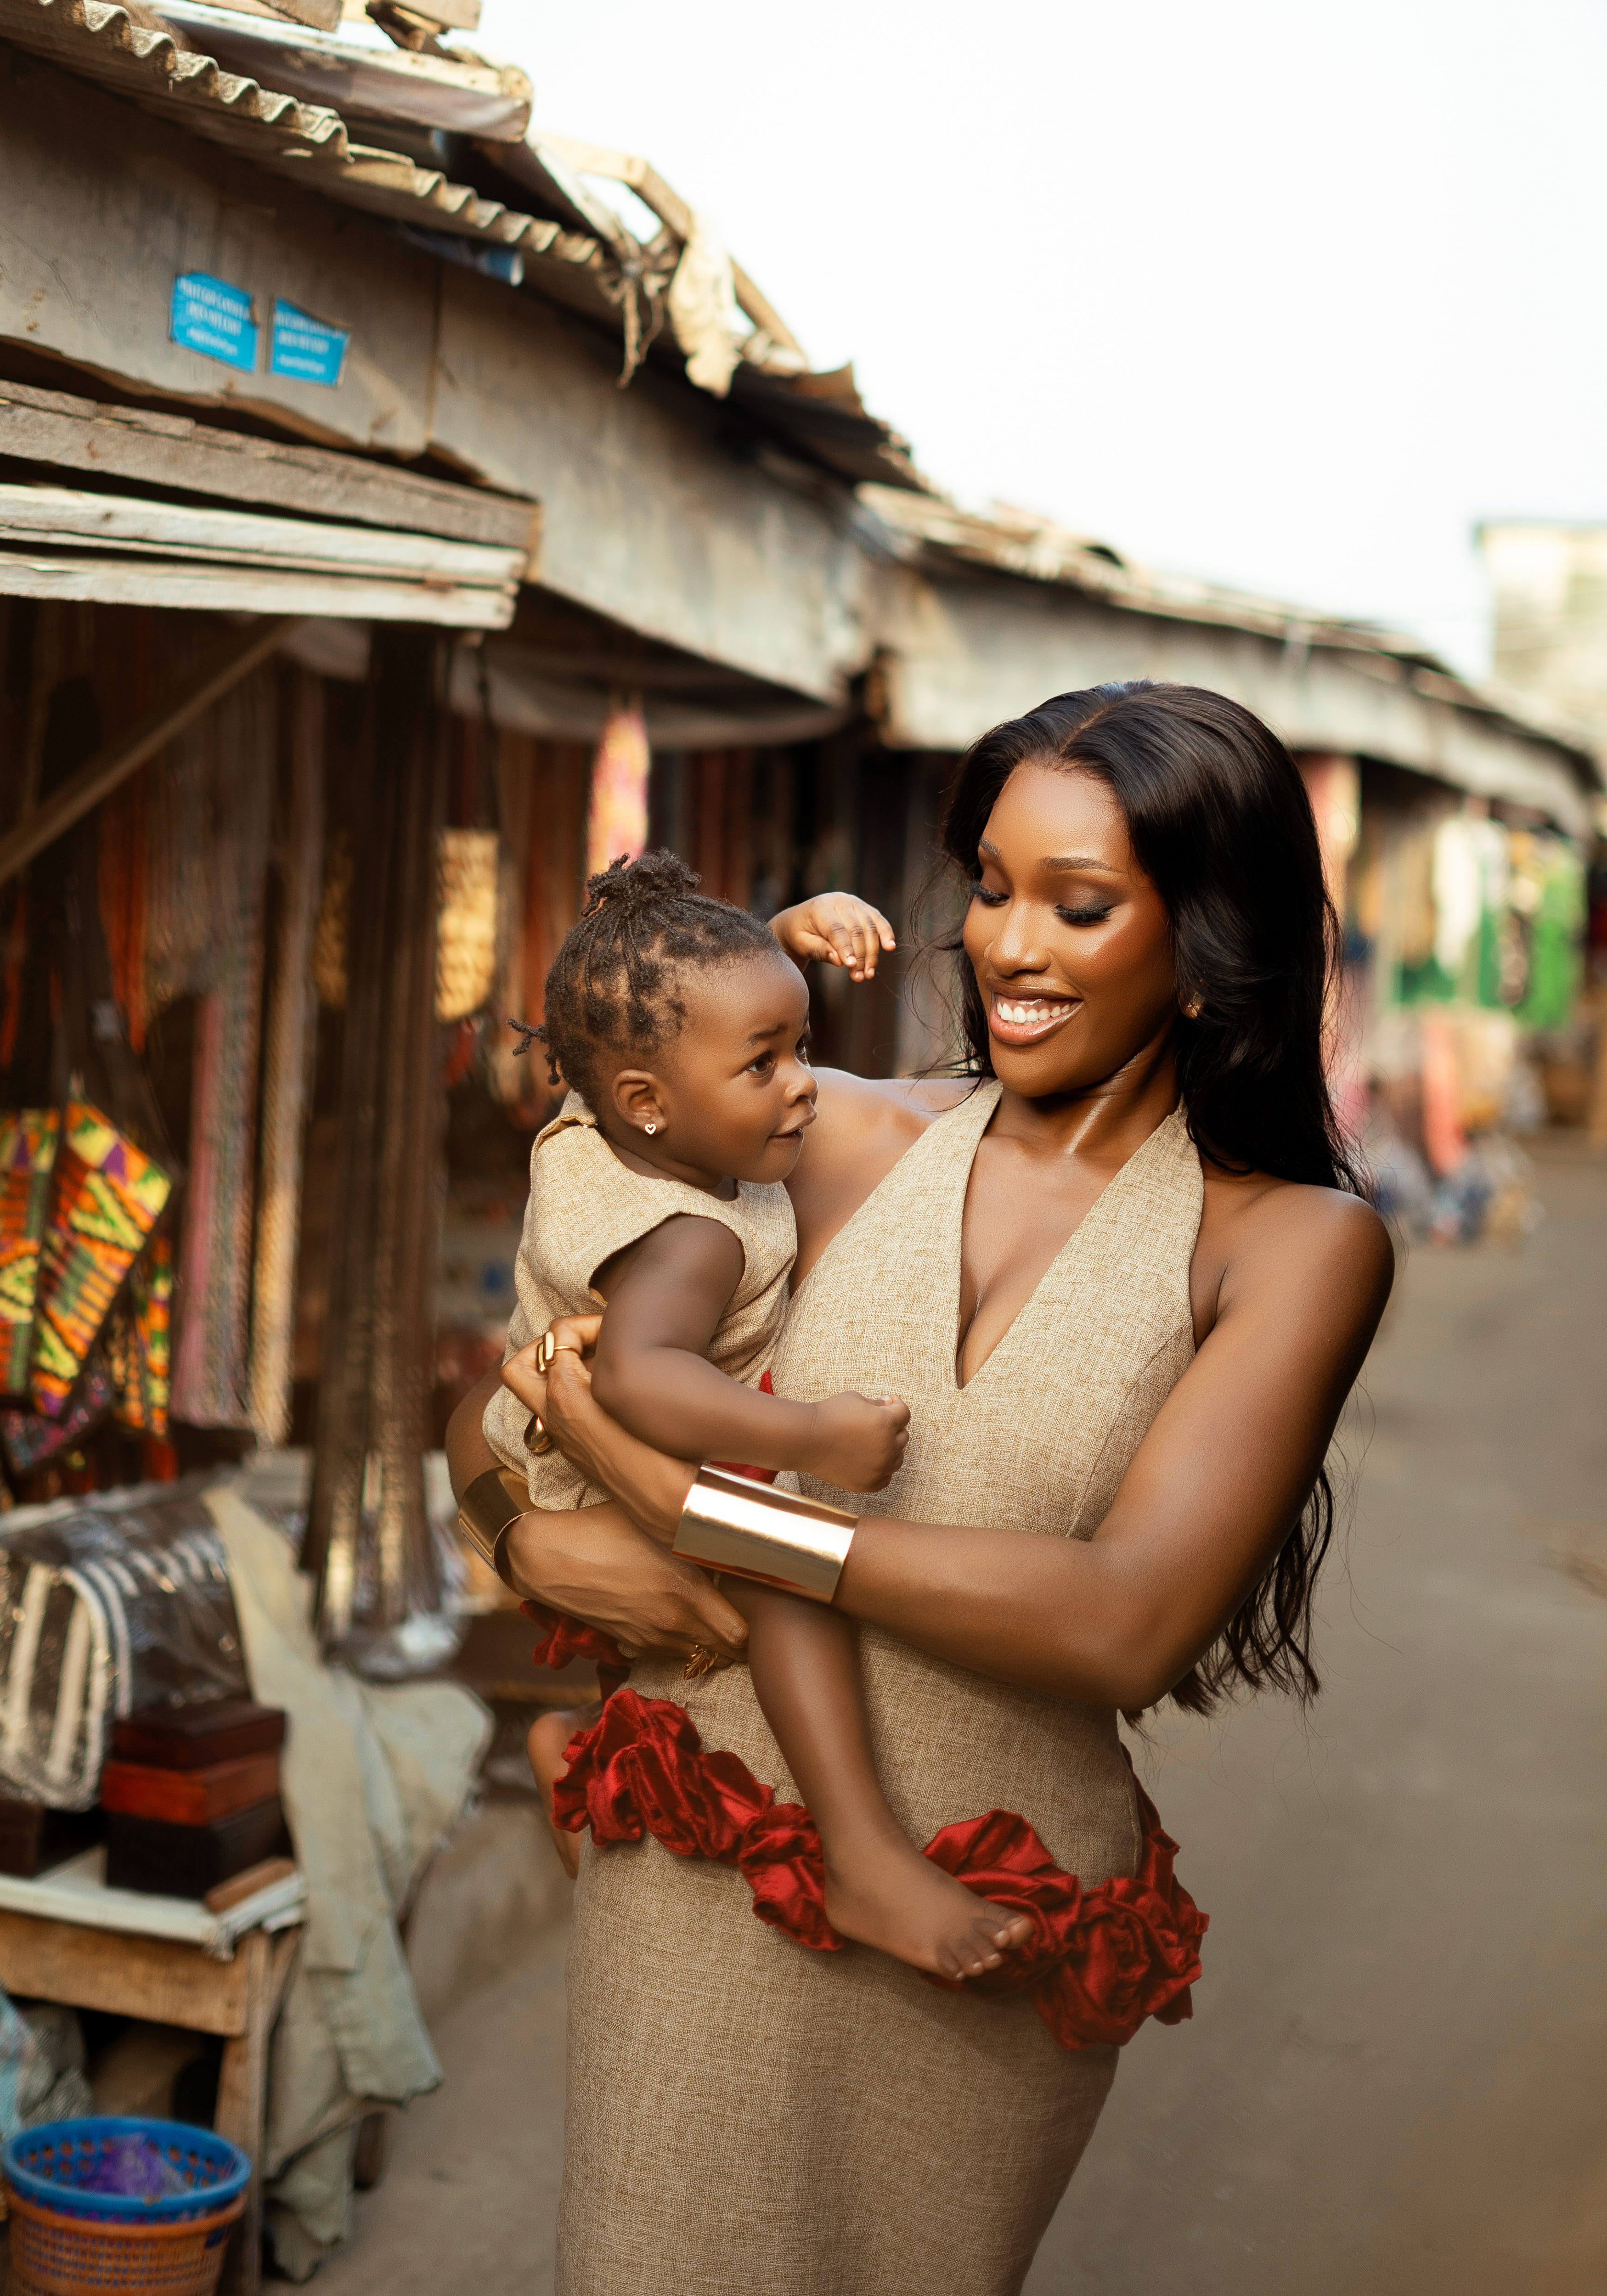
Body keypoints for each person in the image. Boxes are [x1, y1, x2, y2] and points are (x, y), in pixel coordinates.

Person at [448, 681, 1394, 2296]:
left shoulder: (1293, 1245)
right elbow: (534, 1366)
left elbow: (1124, 1626)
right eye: (993, 888)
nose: (1009, 947)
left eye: (1079, 906)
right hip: (716, 1857)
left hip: (996, 1898)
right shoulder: (837, 1138)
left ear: (1207, 933)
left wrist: (709, 1519)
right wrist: (524, 1531)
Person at [489, 850, 1025, 1980]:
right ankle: (864, 1851)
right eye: (766, 1063)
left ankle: (572, 1750)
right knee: (795, 1572)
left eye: (803, 1049)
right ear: (649, 1100)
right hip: (602, 1466)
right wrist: (812, 1438)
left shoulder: (634, 1116)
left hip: (560, 1454)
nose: (803, 1086)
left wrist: (775, 940)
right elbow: (636, 1380)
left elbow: (678, 1030)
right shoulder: (692, 1233)